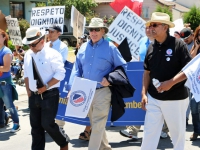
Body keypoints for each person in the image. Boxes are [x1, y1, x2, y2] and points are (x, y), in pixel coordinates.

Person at [68, 17, 126, 150]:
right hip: (85, 91)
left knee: (98, 123)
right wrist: (72, 88)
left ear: (103, 31)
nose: (93, 32)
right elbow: (76, 69)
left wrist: (110, 79)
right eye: (91, 29)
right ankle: (105, 148)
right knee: (95, 124)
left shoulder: (111, 48)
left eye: (97, 29)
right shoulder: (82, 47)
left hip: (103, 92)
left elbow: (122, 67)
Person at [140, 12, 191, 150]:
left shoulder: (178, 45)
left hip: (175, 99)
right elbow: (147, 72)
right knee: (149, 134)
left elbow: (188, 71)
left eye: (154, 25)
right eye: (150, 25)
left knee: (177, 136)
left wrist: (170, 83)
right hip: (154, 98)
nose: (151, 28)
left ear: (164, 27)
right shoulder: (150, 47)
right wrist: (144, 93)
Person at [22, 27, 69, 150]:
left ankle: (63, 142)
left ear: (42, 41)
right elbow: (26, 73)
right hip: (34, 95)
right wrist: (28, 90)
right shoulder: (28, 54)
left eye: (33, 44)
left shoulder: (53, 54)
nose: (30, 47)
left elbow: (60, 74)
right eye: (29, 44)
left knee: (47, 124)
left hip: (49, 94)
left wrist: (46, 86)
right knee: (35, 127)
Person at [120, 26, 168, 140]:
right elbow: (139, 58)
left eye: (150, 28)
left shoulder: (161, 42)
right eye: (145, 28)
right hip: (143, 76)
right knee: (141, 101)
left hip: (159, 77)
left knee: (160, 103)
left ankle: (163, 129)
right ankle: (133, 130)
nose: (147, 30)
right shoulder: (142, 41)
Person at [45, 24, 68, 134]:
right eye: (48, 31)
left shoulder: (63, 47)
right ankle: (48, 124)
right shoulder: (45, 45)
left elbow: (60, 64)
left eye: (52, 31)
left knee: (59, 101)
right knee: (47, 102)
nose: (49, 33)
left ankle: (59, 125)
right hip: (46, 79)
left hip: (57, 79)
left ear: (59, 33)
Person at [0, 29, 20, 132]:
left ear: (4, 38)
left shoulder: (6, 51)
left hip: (4, 82)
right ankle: (4, 119)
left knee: (9, 105)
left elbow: (6, 68)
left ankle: (16, 123)